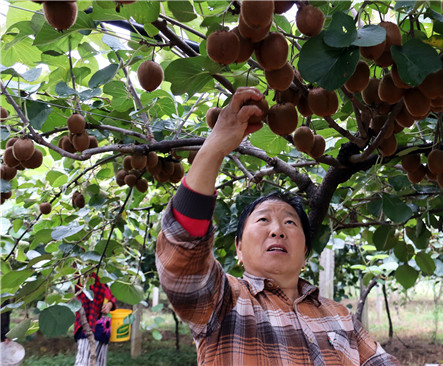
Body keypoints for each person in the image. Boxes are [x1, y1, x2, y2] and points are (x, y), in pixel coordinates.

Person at [156, 87, 400, 365]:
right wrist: (215, 146)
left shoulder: (340, 317)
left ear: (306, 252)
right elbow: (183, 250)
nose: (277, 231)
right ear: (238, 248)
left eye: (289, 222)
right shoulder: (222, 304)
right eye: (262, 220)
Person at [74, 272, 117, 366]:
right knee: (83, 362)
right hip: (87, 327)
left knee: (99, 362)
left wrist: (110, 304)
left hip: (103, 331)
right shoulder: (83, 272)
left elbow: (114, 294)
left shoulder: (105, 273)